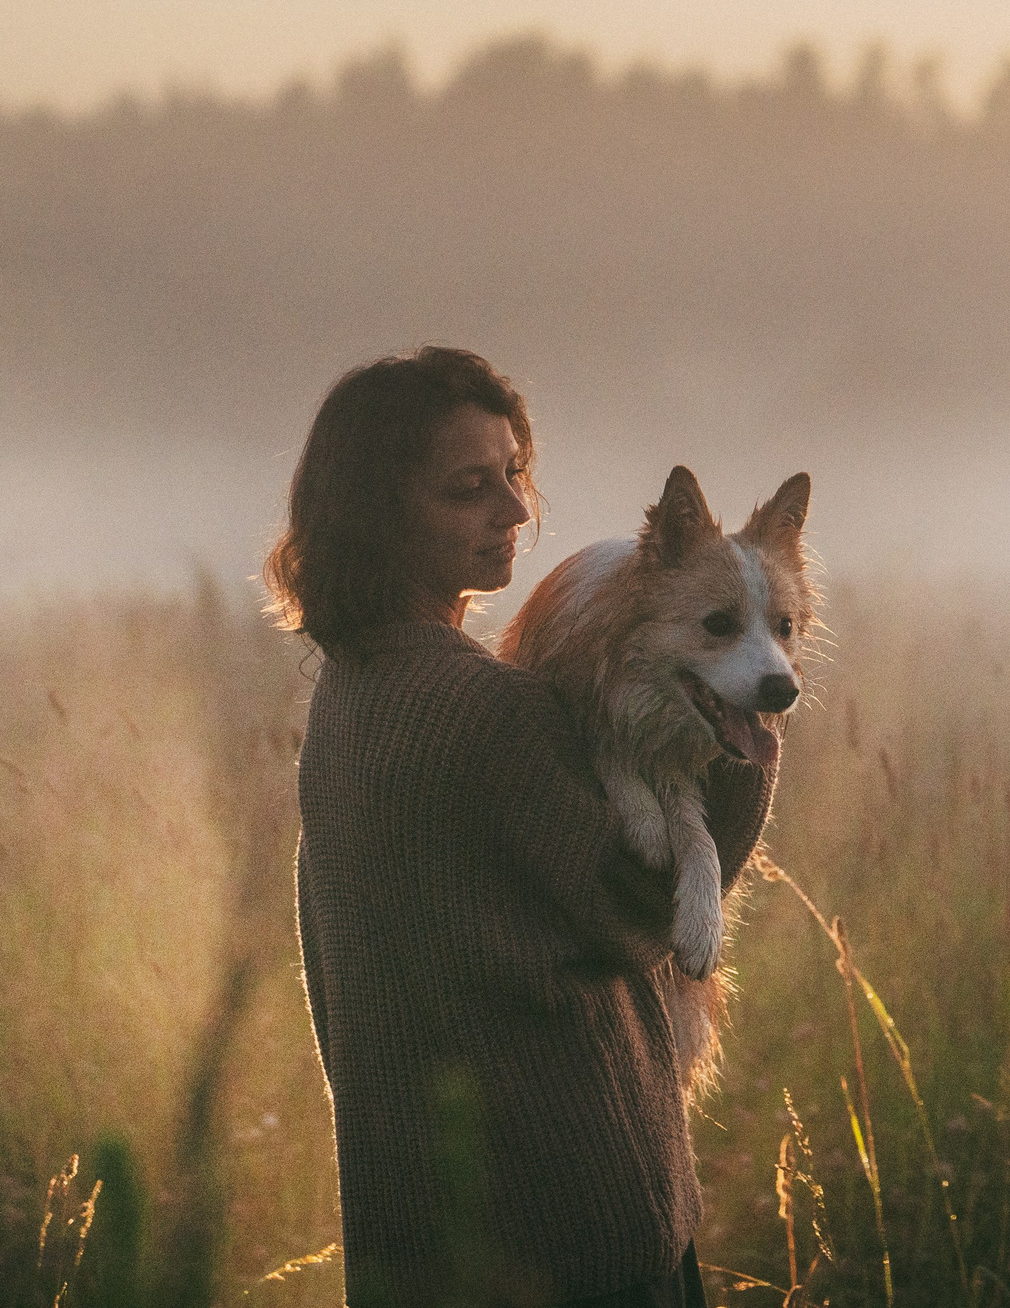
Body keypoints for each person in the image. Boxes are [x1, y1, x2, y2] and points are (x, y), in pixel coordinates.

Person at [268, 347, 777, 1308]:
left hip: (423, 1238)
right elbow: (644, 907)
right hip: (569, 1242)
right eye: (468, 488)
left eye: (514, 472)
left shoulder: (355, 690)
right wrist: (741, 728)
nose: (512, 510)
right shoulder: (484, 711)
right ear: (377, 515)